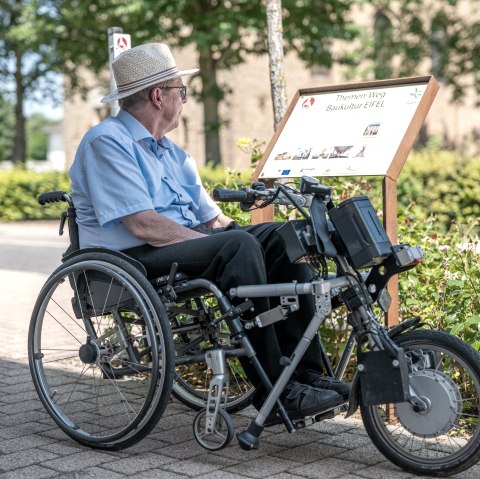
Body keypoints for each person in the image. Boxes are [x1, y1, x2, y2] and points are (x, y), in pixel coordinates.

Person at [69, 42, 350, 423]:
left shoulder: (171, 153)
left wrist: (252, 238)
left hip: (176, 248)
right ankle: (276, 391)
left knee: (285, 240)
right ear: (158, 96)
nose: (184, 101)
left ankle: (307, 375)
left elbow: (215, 220)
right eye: (180, 92)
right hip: (131, 259)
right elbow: (143, 225)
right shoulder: (107, 142)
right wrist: (223, 243)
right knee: (237, 247)